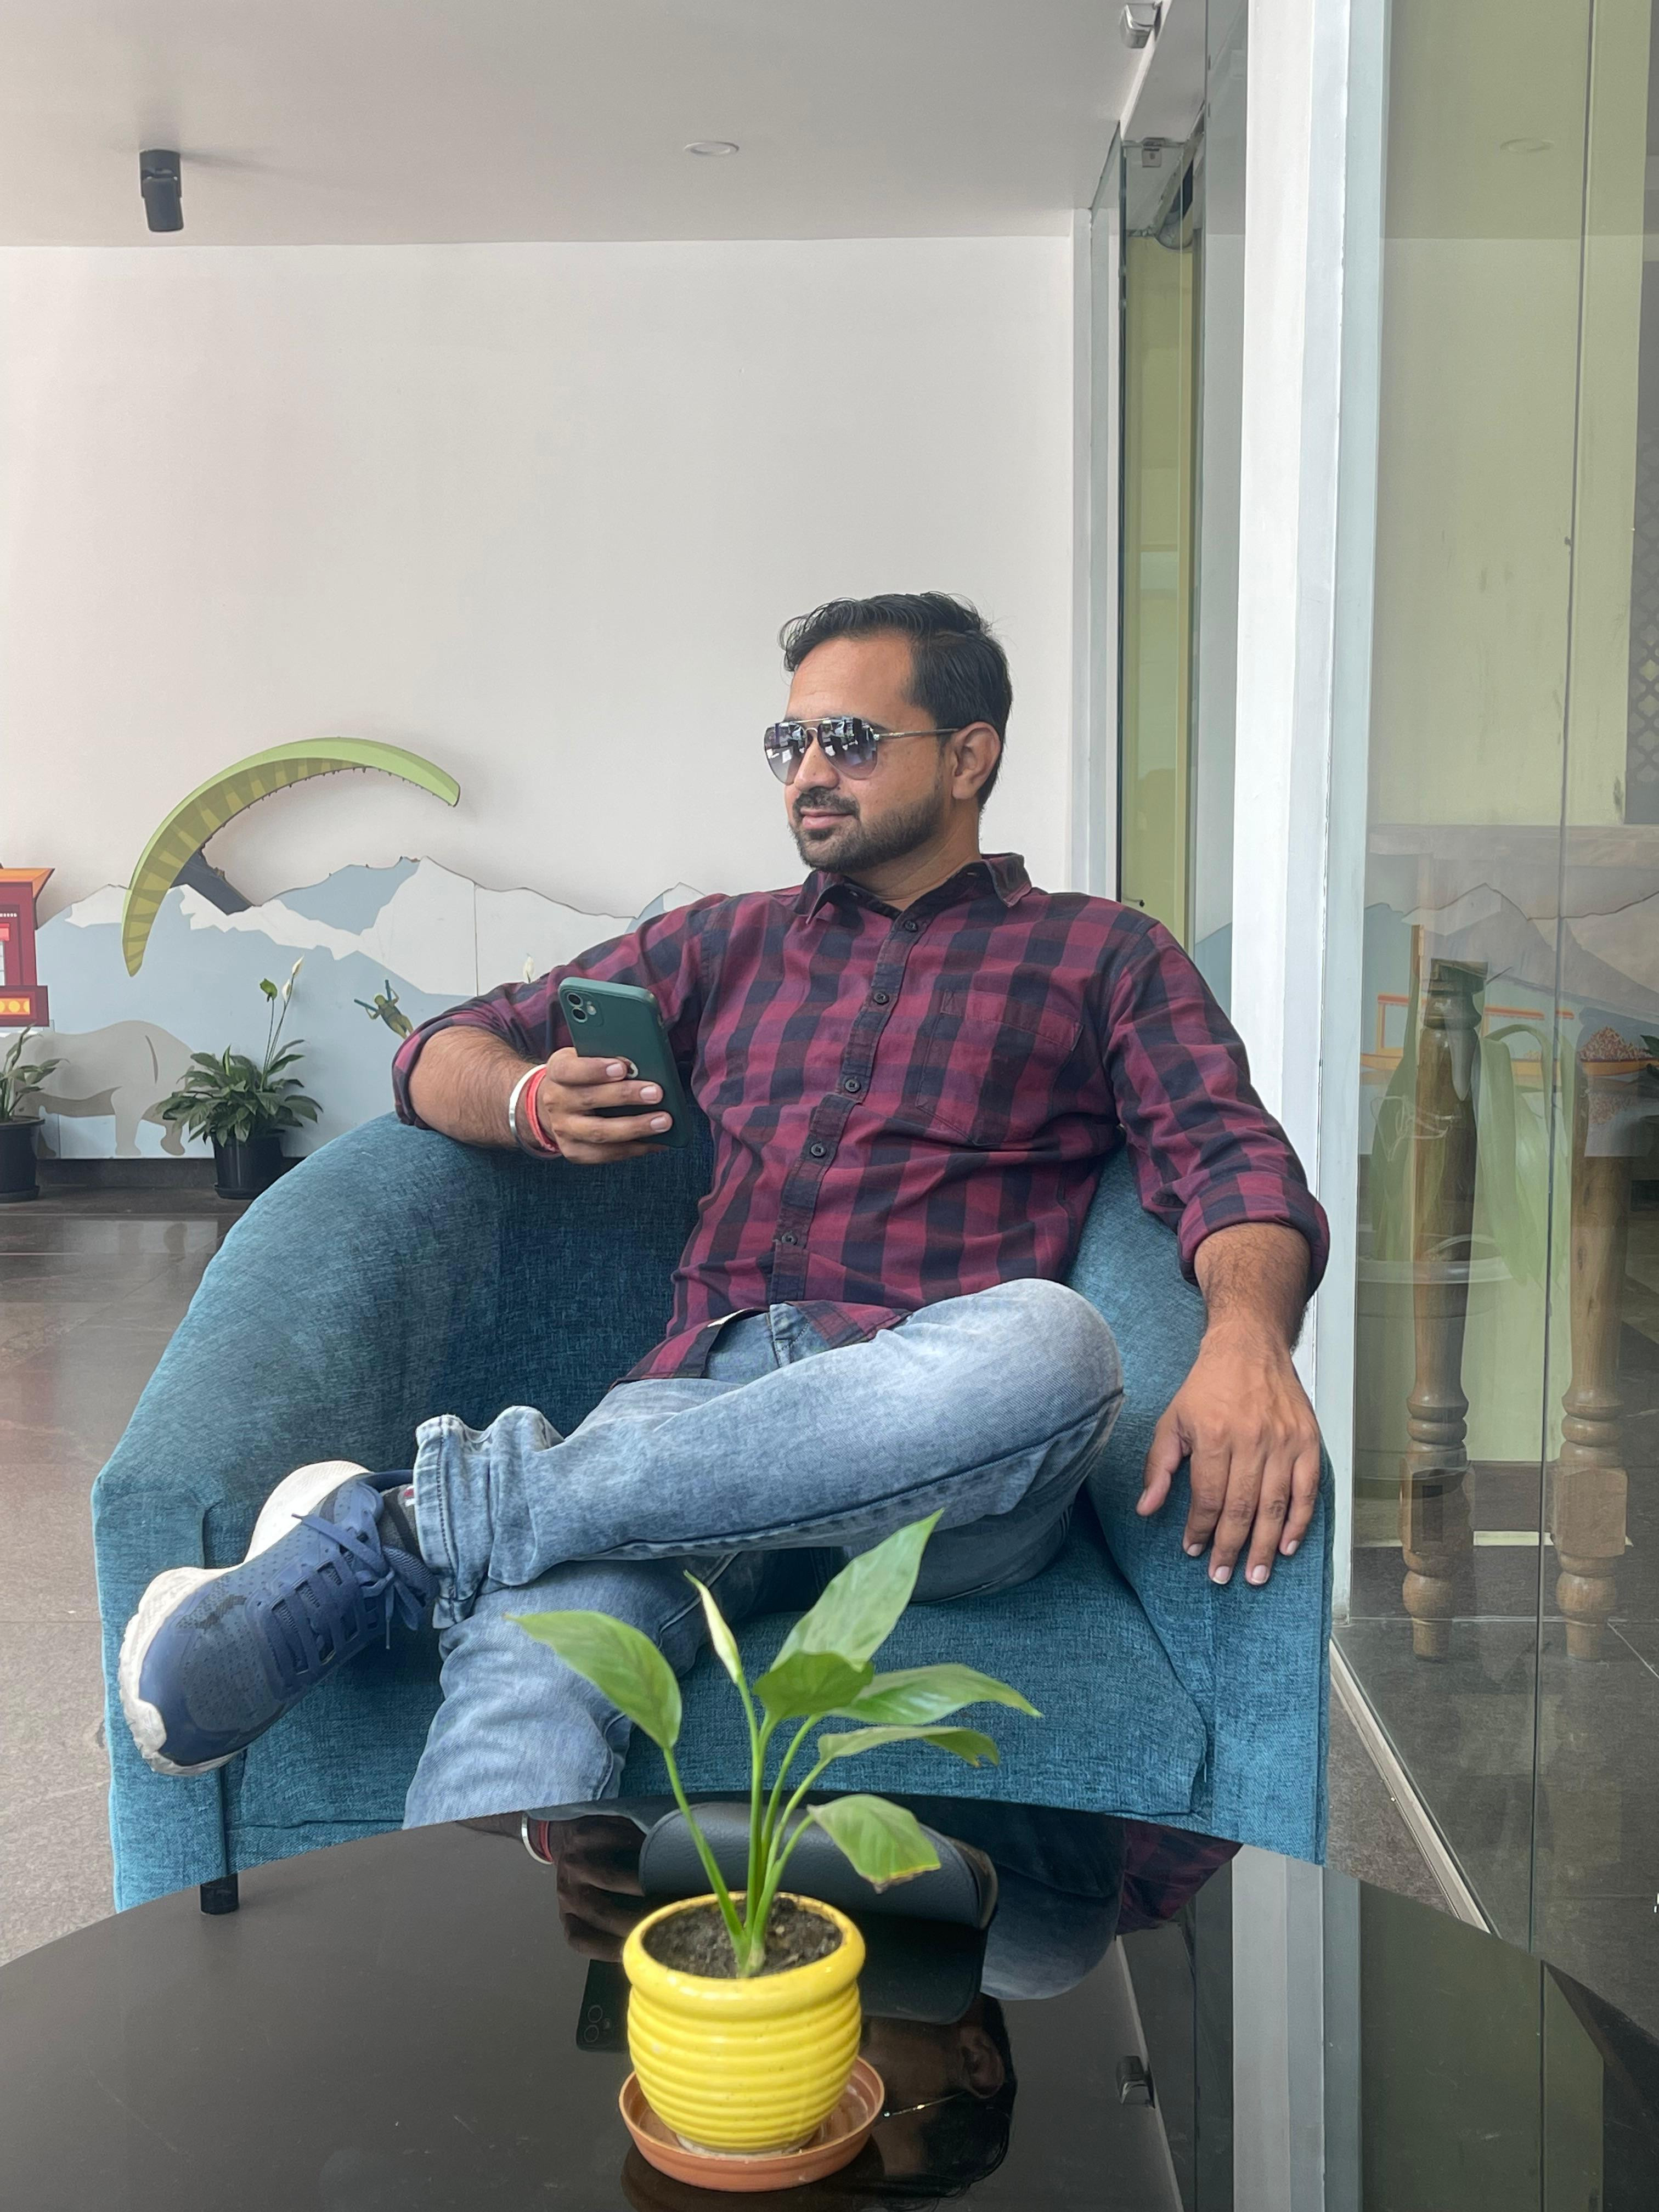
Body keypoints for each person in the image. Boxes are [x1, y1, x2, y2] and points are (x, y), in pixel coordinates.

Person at [117, 591, 1328, 1825]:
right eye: (789, 742)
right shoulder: (722, 944)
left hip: (937, 1450)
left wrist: (1248, 1339)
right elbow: (439, 1049)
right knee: (535, 1669)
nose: (808, 772)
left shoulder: (1103, 954)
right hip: (690, 1416)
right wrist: (528, 1098)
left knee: (1055, 1344)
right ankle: (471, 1930)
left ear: (970, 757)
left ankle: (411, 1526)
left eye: (850, 740)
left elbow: (1231, 1154)